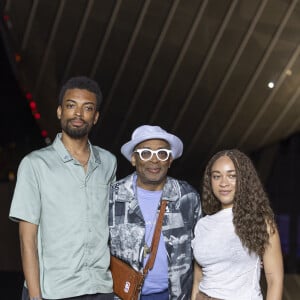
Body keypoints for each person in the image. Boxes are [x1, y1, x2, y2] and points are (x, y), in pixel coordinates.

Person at [9, 76, 117, 300]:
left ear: (95, 117)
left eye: (87, 108)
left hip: (101, 288)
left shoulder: (108, 162)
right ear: (60, 112)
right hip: (55, 291)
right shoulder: (35, 164)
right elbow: (26, 238)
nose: (78, 114)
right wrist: (35, 296)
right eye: (71, 105)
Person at [109, 125, 201, 299]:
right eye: (145, 153)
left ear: (170, 160)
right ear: (133, 159)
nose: (154, 160)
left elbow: (202, 251)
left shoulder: (187, 197)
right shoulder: (112, 197)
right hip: (122, 295)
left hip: (174, 295)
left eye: (162, 154)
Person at [191, 149, 284, 300]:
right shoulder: (203, 224)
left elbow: (275, 282)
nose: (223, 183)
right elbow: (198, 280)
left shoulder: (259, 221)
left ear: (244, 179)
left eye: (232, 176)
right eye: (216, 176)